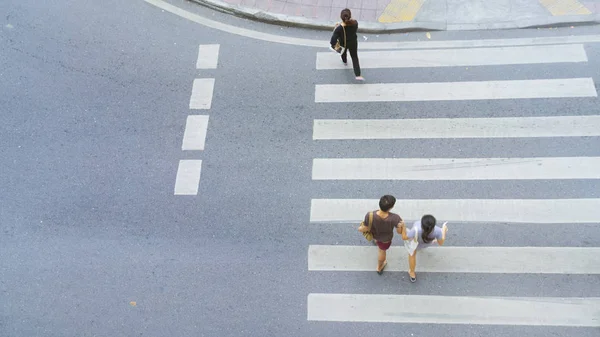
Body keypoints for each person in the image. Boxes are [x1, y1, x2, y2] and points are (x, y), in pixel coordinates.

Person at [358, 195, 404, 274]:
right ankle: (379, 267)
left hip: (375, 235)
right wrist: (401, 226)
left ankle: (376, 241)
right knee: (382, 251)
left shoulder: (370, 215)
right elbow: (399, 232)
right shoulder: (395, 218)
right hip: (385, 240)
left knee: (377, 241)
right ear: (391, 207)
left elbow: (365, 227)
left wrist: (360, 229)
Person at [400, 214, 448, 283]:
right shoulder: (437, 231)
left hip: (415, 244)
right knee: (423, 246)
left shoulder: (416, 229)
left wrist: (403, 226)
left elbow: (404, 237)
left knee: (412, 255)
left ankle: (412, 273)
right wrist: (443, 230)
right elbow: (441, 242)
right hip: (426, 244)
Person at [329, 8, 364, 81]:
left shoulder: (339, 28)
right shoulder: (355, 23)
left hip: (343, 43)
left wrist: (335, 46)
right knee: (354, 57)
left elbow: (332, 41)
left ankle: (345, 62)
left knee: (343, 52)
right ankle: (358, 75)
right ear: (350, 16)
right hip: (353, 43)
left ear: (341, 17)